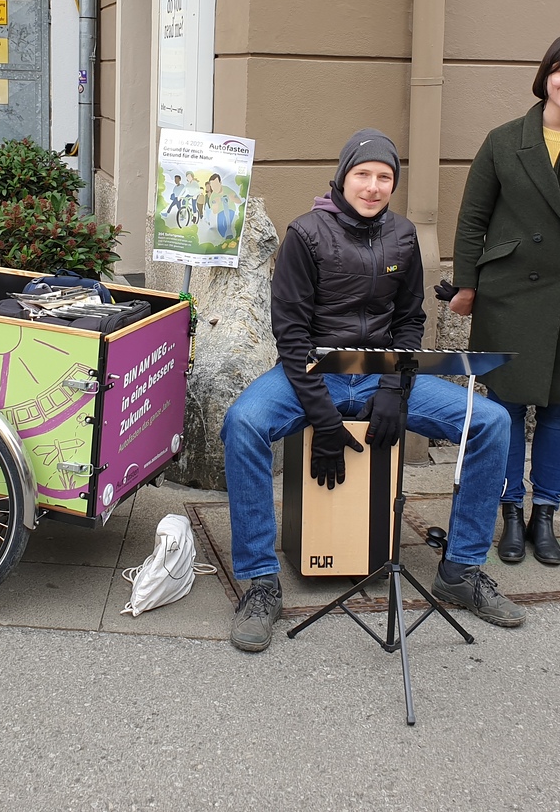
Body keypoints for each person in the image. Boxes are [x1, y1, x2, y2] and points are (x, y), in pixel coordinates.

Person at [221, 128, 521, 653]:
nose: (373, 186)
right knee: (243, 423)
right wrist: (323, 418)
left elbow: (409, 321)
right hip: (315, 372)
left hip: (384, 372)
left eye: (385, 176)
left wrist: (393, 387)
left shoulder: (403, 236)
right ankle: (260, 582)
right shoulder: (305, 234)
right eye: (363, 174)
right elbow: (290, 334)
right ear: (342, 178)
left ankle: (461, 570)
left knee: (491, 421)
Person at [448, 34, 560, 566]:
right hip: (510, 295)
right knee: (505, 408)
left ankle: (544, 513)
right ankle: (509, 511)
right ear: (546, 75)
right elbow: (473, 218)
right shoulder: (504, 140)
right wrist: (466, 285)